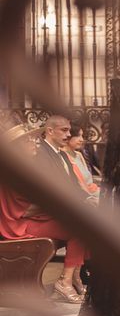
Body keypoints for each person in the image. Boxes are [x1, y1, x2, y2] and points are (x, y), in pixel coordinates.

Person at [0, 123, 86, 303]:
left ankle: (74, 277)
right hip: (17, 226)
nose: (35, 142)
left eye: (34, 138)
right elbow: (25, 209)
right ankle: (65, 282)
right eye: (29, 140)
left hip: (28, 219)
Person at [62, 123, 100, 199]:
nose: (81, 140)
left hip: (93, 190)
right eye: (77, 136)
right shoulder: (62, 156)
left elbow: (88, 178)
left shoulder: (79, 154)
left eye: (82, 136)